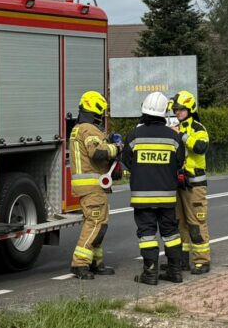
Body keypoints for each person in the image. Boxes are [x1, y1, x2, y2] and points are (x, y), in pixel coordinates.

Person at [122, 91, 186, 285]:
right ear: (164, 113)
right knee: (171, 233)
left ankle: (150, 274)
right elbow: (179, 163)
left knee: (147, 234)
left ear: (144, 111)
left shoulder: (134, 136)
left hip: (142, 198)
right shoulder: (173, 137)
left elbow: (126, 162)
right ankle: (175, 272)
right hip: (167, 197)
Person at [67, 91, 121, 279]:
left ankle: (95, 262)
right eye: (101, 112)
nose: (102, 117)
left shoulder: (78, 129)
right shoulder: (89, 129)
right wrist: (117, 148)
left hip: (91, 187)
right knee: (95, 223)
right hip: (92, 187)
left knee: (99, 224)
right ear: (95, 110)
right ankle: (80, 264)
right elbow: (96, 152)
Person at [171, 90, 211, 274]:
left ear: (190, 109)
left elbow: (201, 147)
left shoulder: (198, 128)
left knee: (196, 224)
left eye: (180, 109)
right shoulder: (175, 128)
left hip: (195, 184)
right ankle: (182, 261)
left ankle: (202, 261)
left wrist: (182, 136)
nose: (177, 112)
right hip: (179, 183)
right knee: (181, 224)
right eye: (175, 109)